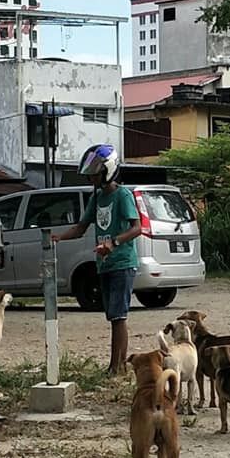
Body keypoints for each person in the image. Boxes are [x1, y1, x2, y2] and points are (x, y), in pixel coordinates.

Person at [52, 144, 141, 375]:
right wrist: (58, 237)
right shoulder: (97, 197)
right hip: (104, 263)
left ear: (108, 170)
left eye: (95, 172)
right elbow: (81, 227)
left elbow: (136, 228)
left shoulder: (123, 195)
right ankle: (117, 365)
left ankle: (117, 366)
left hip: (122, 262)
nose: (91, 177)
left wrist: (113, 243)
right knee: (113, 315)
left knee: (119, 315)